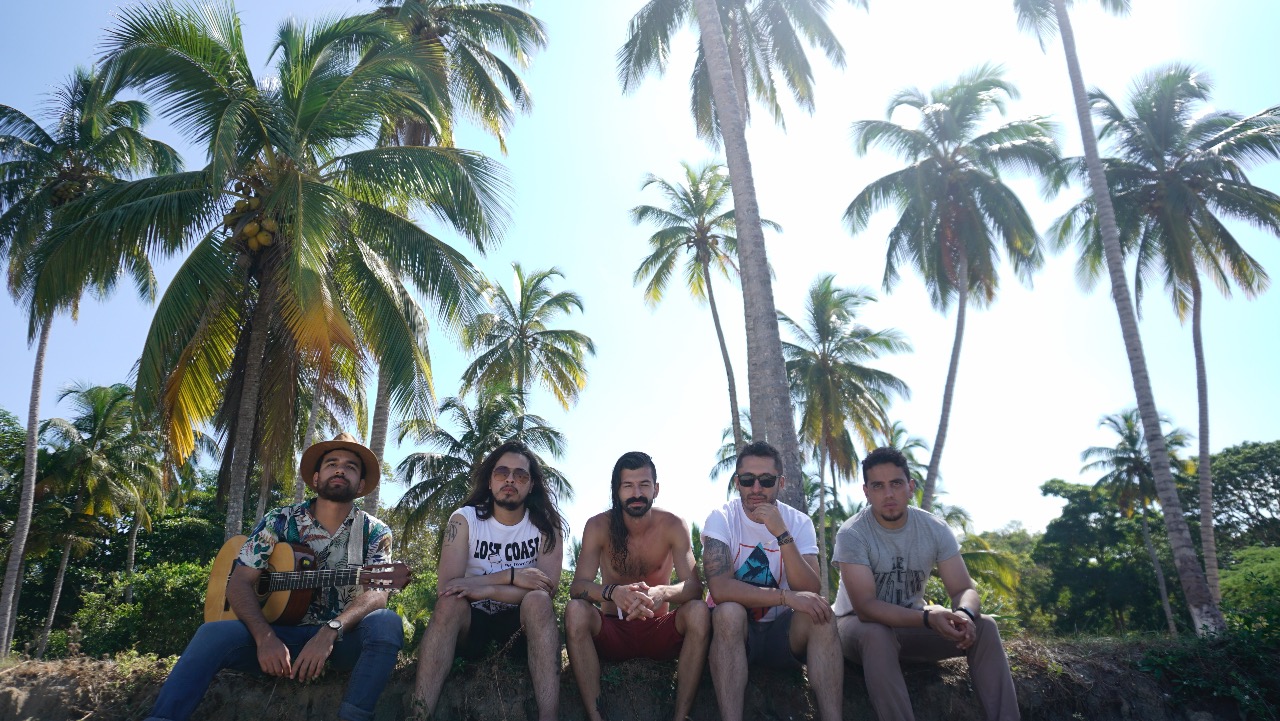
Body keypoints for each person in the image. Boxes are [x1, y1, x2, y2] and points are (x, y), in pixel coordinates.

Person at [144, 433, 403, 721]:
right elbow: (239, 582)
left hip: (340, 642)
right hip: (279, 639)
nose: (340, 470)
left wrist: (330, 631)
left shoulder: (374, 531)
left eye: (350, 467)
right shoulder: (280, 520)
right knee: (211, 634)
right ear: (316, 478)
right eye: (332, 464)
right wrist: (265, 637)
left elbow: (378, 594)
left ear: (361, 485)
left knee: (386, 622)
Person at [833, 447, 1020, 721]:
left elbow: (963, 589)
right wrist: (928, 618)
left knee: (985, 626)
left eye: (896, 484)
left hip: (911, 627)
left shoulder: (934, 528)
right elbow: (866, 607)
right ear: (866, 492)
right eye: (878, 486)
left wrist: (964, 614)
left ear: (910, 487)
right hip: (856, 628)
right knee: (877, 634)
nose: (888, 494)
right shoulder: (853, 533)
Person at [412, 440, 565, 721]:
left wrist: (485, 587)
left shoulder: (546, 526)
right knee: (448, 604)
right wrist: (512, 577)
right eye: (502, 472)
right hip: (471, 627)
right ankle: (419, 716)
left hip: (522, 630)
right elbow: (448, 588)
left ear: (531, 484)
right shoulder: (464, 520)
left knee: (538, 601)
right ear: (490, 480)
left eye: (520, 475)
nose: (510, 480)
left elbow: (546, 590)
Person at [702, 441, 843, 721]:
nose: (756, 488)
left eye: (766, 480)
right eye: (747, 480)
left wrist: (782, 534)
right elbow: (720, 589)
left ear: (781, 482)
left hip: (782, 634)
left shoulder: (798, 522)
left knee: (821, 612)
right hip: (738, 635)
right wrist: (784, 597)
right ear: (737, 483)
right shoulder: (722, 518)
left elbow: (809, 589)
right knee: (728, 613)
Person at [565, 451, 710, 721]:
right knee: (575, 611)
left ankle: (680, 716)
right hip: (613, 631)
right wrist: (612, 593)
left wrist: (662, 592)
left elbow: (694, 587)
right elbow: (578, 587)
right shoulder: (598, 526)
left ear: (656, 489)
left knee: (699, 612)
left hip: (658, 631)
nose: (637, 493)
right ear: (616, 490)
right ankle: (596, 717)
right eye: (628, 486)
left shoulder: (673, 524)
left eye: (644, 484)